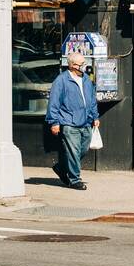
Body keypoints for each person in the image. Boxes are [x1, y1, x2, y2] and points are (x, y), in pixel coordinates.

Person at [46, 52, 99, 190]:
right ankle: (75, 179)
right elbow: (54, 103)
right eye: (82, 63)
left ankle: (62, 168)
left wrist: (95, 116)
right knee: (74, 151)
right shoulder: (61, 81)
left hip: (86, 121)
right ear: (73, 65)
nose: (84, 65)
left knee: (84, 149)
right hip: (69, 122)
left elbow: (92, 100)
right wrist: (54, 122)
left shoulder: (86, 79)